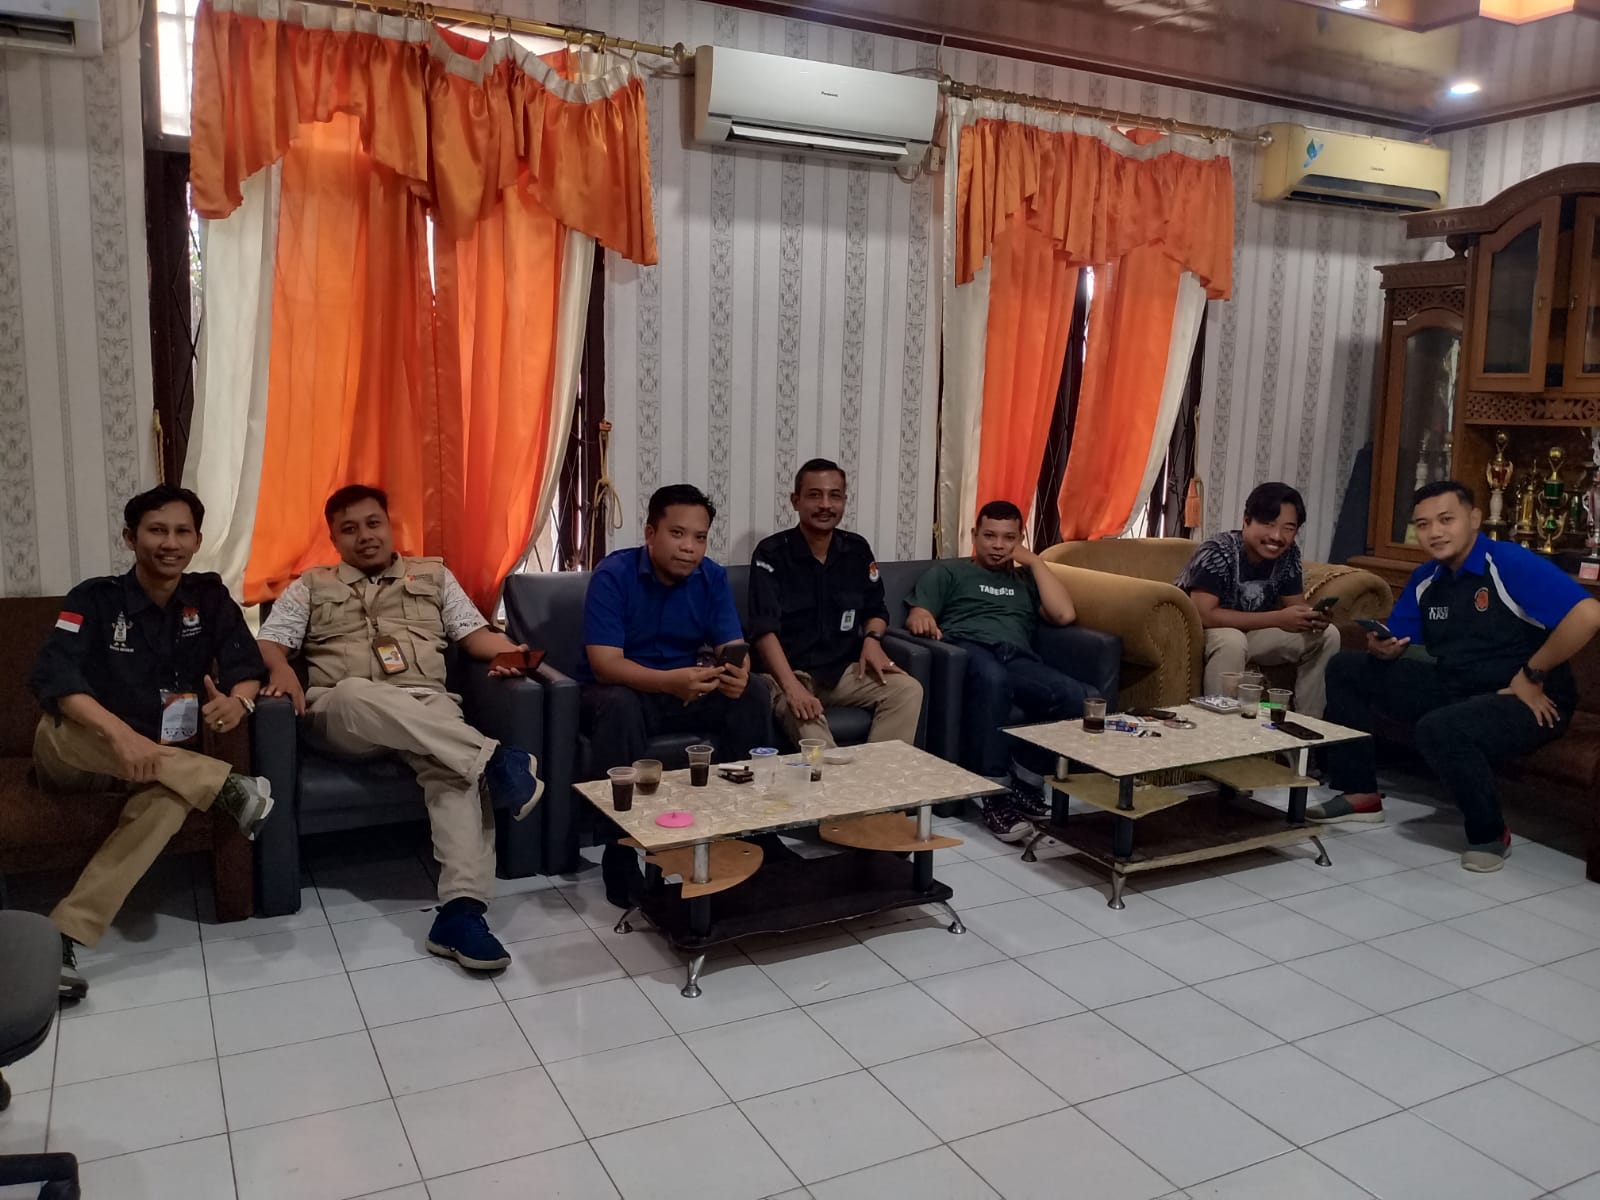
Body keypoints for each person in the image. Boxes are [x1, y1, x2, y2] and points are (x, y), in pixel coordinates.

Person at [257, 485, 543, 972]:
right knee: (355, 693)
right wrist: (280, 668)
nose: (364, 536)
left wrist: (513, 655)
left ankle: (461, 913)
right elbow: (270, 641)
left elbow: (474, 635)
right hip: (345, 715)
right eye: (349, 529)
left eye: (373, 523)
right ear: (334, 538)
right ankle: (497, 761)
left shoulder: (433, 575)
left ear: (390, 526)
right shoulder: (311, 586)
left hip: (426, 708)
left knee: (454, 769)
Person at [31, 485, 274, 999]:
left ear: (197, 541)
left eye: (182, 531)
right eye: (157, 530)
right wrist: (120, 737)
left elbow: (246, 665)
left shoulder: (208, 597)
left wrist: (240, 702)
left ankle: (62, 934)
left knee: (170, 802)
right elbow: (54, 676)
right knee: (62, 727)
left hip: (154, 765)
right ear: (130, 537)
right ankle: (225, 787)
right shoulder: (94, 599)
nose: (170, 542)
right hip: (79, 754)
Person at [1311, 481, 1600, 872]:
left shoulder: (1507, 562)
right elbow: (1398, 636)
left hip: (1529, 697)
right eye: (1423, 524)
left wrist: (1532, 673)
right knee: (1347, 668)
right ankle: (1359, 793)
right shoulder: (1427, 578)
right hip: (1459, 685)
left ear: (1475, 518)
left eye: (1446, 519)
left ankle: (1489, 833)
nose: (1435, 532)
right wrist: (1384, 647)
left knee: (1440, 728)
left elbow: (1588, 615)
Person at [578, 484, 776, 905]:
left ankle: (751, 831)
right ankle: (619, 850)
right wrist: (669, 681)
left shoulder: (712, 577)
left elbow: (731, 647)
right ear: (651, 534)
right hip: (627, 689)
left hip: (685, 687)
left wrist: (739, 672)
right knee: (618, 705)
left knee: (754, 692)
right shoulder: (613, 575)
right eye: (678, 534)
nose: (689, 547)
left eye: (700, 537)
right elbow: (605, 663)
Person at [904, 500, 1092, 842]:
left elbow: (1064, 615)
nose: (998, 545)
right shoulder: (950, 573)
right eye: (989, 536)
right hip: (968, 650)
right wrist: (923, 616)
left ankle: (1026, 780)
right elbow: (918, 612)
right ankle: (993, 794)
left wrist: (1034, 561)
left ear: (1019, 540)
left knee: (1073, 694)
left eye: (1008, 538)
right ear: (974, 535)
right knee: (994, 680)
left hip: (1016, 657)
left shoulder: (1025, 579)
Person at [749, 458, 923, 747]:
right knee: (813, 732)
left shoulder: (856, 549)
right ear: (795, 501)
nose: (825, 505)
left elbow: (876, 609)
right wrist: (792, 689)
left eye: (835, 496)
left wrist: (872, 640)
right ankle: (835, 779)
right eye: (814, 495)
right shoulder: (771, 553)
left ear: (844, 501)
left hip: (840, 673)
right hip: (789, 674)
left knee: (907, 690)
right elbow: (763, 630)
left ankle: (881, 774)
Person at [1175, 481, 1341, 718]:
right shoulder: (1218, 550)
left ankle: (1306, 723)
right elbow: (1204, 614)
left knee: (1328, 635)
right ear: (1246, 520)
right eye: (1268, 524)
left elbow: (1295, 605)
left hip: (1253, 632)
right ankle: (1221, 728)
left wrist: (1312, 617)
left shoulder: (1288, 554)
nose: (1277, 536)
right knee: (1232, 641)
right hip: (1204, 632)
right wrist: (1278, 618)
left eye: (1288, 528)